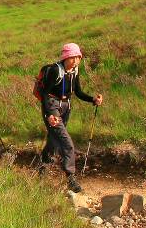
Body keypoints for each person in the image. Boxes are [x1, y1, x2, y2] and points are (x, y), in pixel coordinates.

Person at [38, 43, 103, 192]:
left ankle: (42, 167)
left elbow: (78, 92)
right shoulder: (55, 70)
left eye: (78, 57)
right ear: (65, 57)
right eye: (72, 57)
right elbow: (45, 94)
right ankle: (70, 178)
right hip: (52, 106)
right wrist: (50, 115)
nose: (75, 60)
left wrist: (93, 99)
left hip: (66, 107)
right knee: (67, 143)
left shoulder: (74, 70)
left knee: (54, 140)